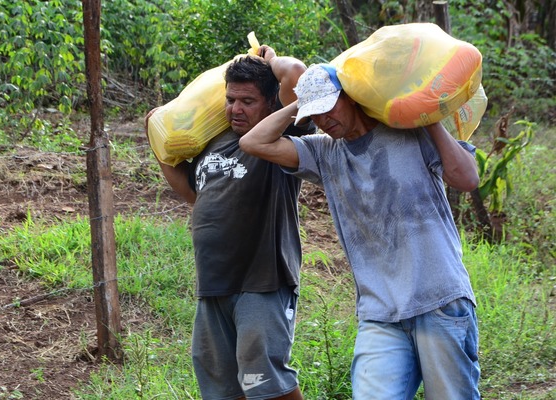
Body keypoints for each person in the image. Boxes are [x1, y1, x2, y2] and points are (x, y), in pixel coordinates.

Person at [239, 63, 481, 399]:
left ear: (352, 98)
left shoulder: (408, 131)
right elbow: (253, 142)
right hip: (379, 313)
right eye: (316, 114)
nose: (323, 120)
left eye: (329, 107)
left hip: (438, 300)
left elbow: (467, 179)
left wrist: (427, 117)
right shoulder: (323, 152)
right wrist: (302, 100)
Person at [145, 47, 315, 400]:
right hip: (213, 284)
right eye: (230, 99)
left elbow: (296, 73)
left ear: (271, 103)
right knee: (221, 385)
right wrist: (156, 136)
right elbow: (194, 192)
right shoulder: (215, 144)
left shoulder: (280, 141)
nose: (236, 109)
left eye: (248, 101)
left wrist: (269, 60)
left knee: (264, 378)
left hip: (262, 280)